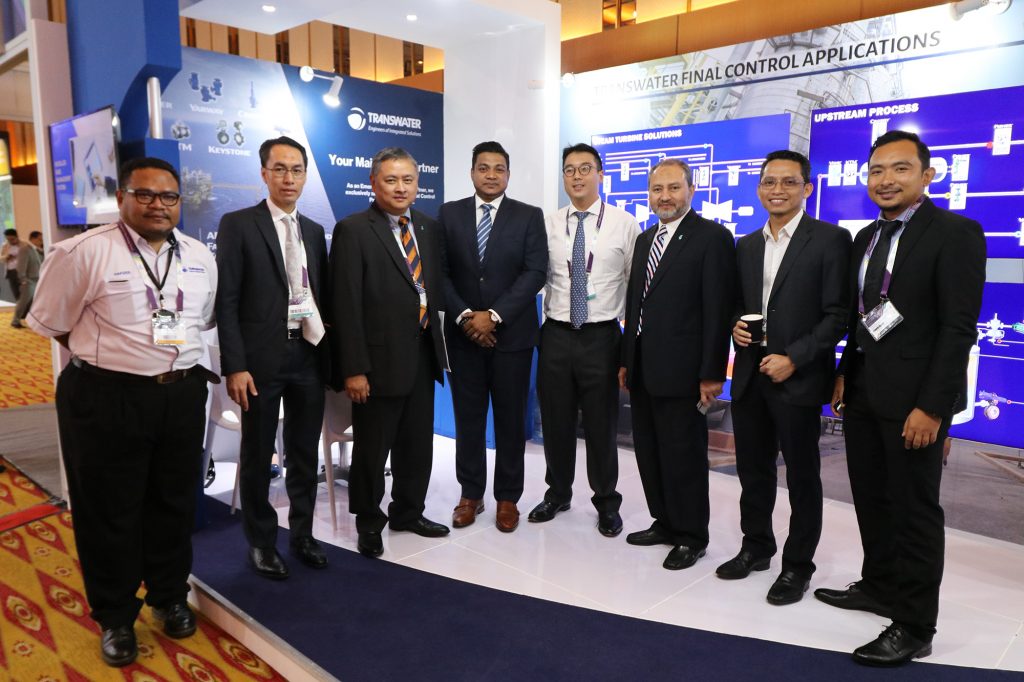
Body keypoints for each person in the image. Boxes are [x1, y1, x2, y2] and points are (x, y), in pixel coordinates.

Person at [27, 157, 217, 667]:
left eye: (168, 197)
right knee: (109, 510)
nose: (158, 205)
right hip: (105, 397)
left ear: (180, 202)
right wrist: (112, 360)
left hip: (181, 395)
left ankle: (169, 596)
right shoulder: (81, 253)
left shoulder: (199, 255)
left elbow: (199, 319)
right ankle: (115, 616)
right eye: (145, 194)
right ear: (122, 198)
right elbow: (53, 322)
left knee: (173, 502)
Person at [816, 130, 985, 667]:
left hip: (916, 401)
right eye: (876, 170)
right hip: (864, 391)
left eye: (900, 169)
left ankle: (913, 624)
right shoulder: (866, 236)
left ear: (926, 175)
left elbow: (958, 329)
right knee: (872, 498)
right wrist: (844, 374)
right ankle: (879, 586)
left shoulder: (955, 233)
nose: (886, 180)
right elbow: (862, 318)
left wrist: (934, 407)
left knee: (914, 510)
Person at [718, 150, 851, 602]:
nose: (777, 190)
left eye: (789, 182)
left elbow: (838, 316)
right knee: (753, 471)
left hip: (798, 378)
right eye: (769, 182)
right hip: (751, 376)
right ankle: (756, 547)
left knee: (801, 477)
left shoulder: (830, 240)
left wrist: (794, 357)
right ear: (759, 188)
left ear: (807, 188)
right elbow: (738, 304)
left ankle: (797, 566)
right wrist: (735, 325)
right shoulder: (746, 245)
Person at [216, 136, 330, 579]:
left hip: (307, 354)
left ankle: (302, 534)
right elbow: (227, 300)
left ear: (305, 176)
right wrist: (235, 365)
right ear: (264, 173)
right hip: (260, 362)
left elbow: (319, 296)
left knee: (303, 452)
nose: (288, 178)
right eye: (279, 169)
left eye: (296, 170)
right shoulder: (239, 224)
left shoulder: (314, 231)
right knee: (259, 452)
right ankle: (261, 542)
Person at [329, 147, 451, 558]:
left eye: (408, 180)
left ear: (417, 184)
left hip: (422, 354)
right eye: (391, 180)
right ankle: (368, 521)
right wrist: (354, 369)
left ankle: (408, 512)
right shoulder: (353, 230)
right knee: (372, 449)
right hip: (376, 363)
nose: (401, 188)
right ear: (373, 182)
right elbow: (345, 304)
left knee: (417, 444)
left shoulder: (428, 228)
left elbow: (430, 289)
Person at [618, 159, 734, 569]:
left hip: (685, 373)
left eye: (673, 188)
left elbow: (717, 310)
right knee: (649, 451)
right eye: (657, 189)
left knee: (683, 455)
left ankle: (691, 535)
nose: (664, 197)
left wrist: (712, 373)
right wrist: (626, 360)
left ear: (691, 190)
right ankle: (665, 522)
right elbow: (635, 305)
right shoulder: (645, 239)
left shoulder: (712, 238)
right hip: (644, 368)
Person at [528, 143, 640, 537]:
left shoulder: (624, 223)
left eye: (585, 168)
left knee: (601, 425)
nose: (576, 176)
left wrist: (629, 350)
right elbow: (536, 276)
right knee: (555, 421)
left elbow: (635, 286)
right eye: (570, 170)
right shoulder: (548, 223)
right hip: (556, 334)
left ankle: (606, 502)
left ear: (600, 174)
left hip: (601, 337)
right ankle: (557, 493)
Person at [437, 141, 547, 532]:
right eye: (483, 168)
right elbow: (440, 273)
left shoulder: (528, 216)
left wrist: (494, 316)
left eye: (499, 168)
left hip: (511, 338)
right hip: (463, 336)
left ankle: (507, 498)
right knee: (468, 420)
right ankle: (471, 494)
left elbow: (535, 272)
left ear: (508, 175)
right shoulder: (449, 214)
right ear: (472, 172)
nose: (491, 175)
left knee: (510, 421)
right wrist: (468, 317)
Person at [11, 231, 44, 328]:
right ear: (33, 239)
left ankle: (32, 321)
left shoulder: (38, 250)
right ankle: (15, 321)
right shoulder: (25, 249)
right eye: (40, 239)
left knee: (34, 303)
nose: (41, 241)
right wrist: (23, 280)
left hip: (38, 280)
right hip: (29, 281)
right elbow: (21, 266)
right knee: (23, 302)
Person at [2, 228, 23, 301]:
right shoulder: (5, 246)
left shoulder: (24, 244)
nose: (10, 241)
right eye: (8, 239)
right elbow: (1, 258)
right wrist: (7, 257)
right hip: (11, 272)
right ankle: (20, 306)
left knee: (25, 293)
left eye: (12, 239)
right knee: (16, 292)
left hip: (22, 271)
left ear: (17, 236)